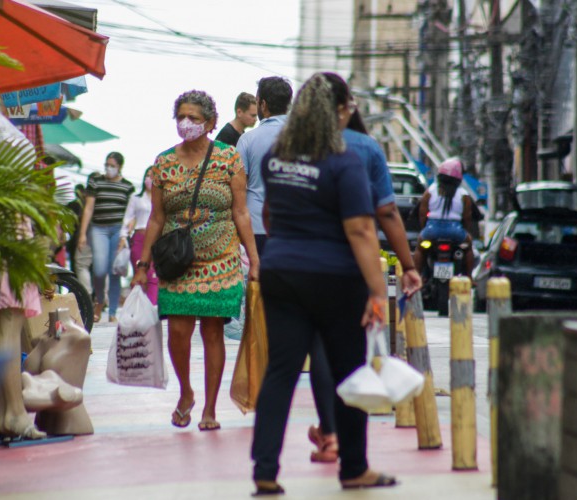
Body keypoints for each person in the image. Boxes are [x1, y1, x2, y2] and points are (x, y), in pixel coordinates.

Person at [250, 73, 395, 495]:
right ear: (338, 113)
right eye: (349, 109)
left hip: (281, 272)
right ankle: (354, 468)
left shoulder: (275, 156)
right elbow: (362, 230)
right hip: (334, 278)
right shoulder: (344, 161)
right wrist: (377, 292)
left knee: (281, 371)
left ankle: (264, 471)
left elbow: (272, 216)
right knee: (348, 372)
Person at [304, 73, 424, 463]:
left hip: (310, 261)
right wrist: (408, 264)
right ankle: (350, 450)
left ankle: (330, 433)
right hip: (354, 262)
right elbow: (386, 211)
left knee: (320, 350)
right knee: (351, 352)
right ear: (346, 107)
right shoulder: (367, 148)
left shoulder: (298, 146)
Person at [131, 90, 259, 431]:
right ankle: (186, 392)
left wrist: (255, 260)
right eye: (181, 117)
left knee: (213, 332)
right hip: (177, 262)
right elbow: (156, 218)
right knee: (178, 332)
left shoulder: (229, 158)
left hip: (221, 260)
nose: (185, 124)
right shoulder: (164, 162)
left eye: (193, 118)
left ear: (211, 123)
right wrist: (142, 266)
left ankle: (210, 409)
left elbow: (241, 212)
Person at [0, 68, 46, 440]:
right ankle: (14, 413)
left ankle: (9, 413)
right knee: (7, 327)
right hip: (6, 232)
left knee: (0, 329)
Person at [236, 77, 293, 255]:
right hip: (294, 227)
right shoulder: (304, 137)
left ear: (263, 104)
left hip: (257, 227)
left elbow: (238, 190)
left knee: (259, 281)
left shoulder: (247, 140)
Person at [77, 153, 135, 323]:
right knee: (99, 270)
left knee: (114, 271)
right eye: (107, 165)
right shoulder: (96, 182)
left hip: (118, 230)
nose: (109, 168)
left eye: (112, 165)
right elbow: (88, 208)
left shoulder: (128, 187)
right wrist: (82, 234)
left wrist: (127, 232)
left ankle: (113, 311)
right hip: (98, 229)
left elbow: (131, 213)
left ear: (120, 167)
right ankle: (99, 301)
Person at [412, 157, 475, 276]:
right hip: (455, 231)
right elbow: (467, 217)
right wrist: (465, 231)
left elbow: (422, 214)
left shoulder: (430, 191)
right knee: (468, 247)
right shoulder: (463, 194)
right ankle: (469, 277)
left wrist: (424, 228)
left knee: (420, 247)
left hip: (432, 230)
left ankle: (417, 276)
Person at [118, 166, 158, 304]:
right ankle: (137, 309)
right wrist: (123, 236)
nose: (150, 179)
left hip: (157, 240)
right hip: (139, 239)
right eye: (148, 175)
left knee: (153, 275)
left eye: (153, 176)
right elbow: (127, 219)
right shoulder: (135, 198)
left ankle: (152, 309)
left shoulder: (161, 198)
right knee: (139, 273)